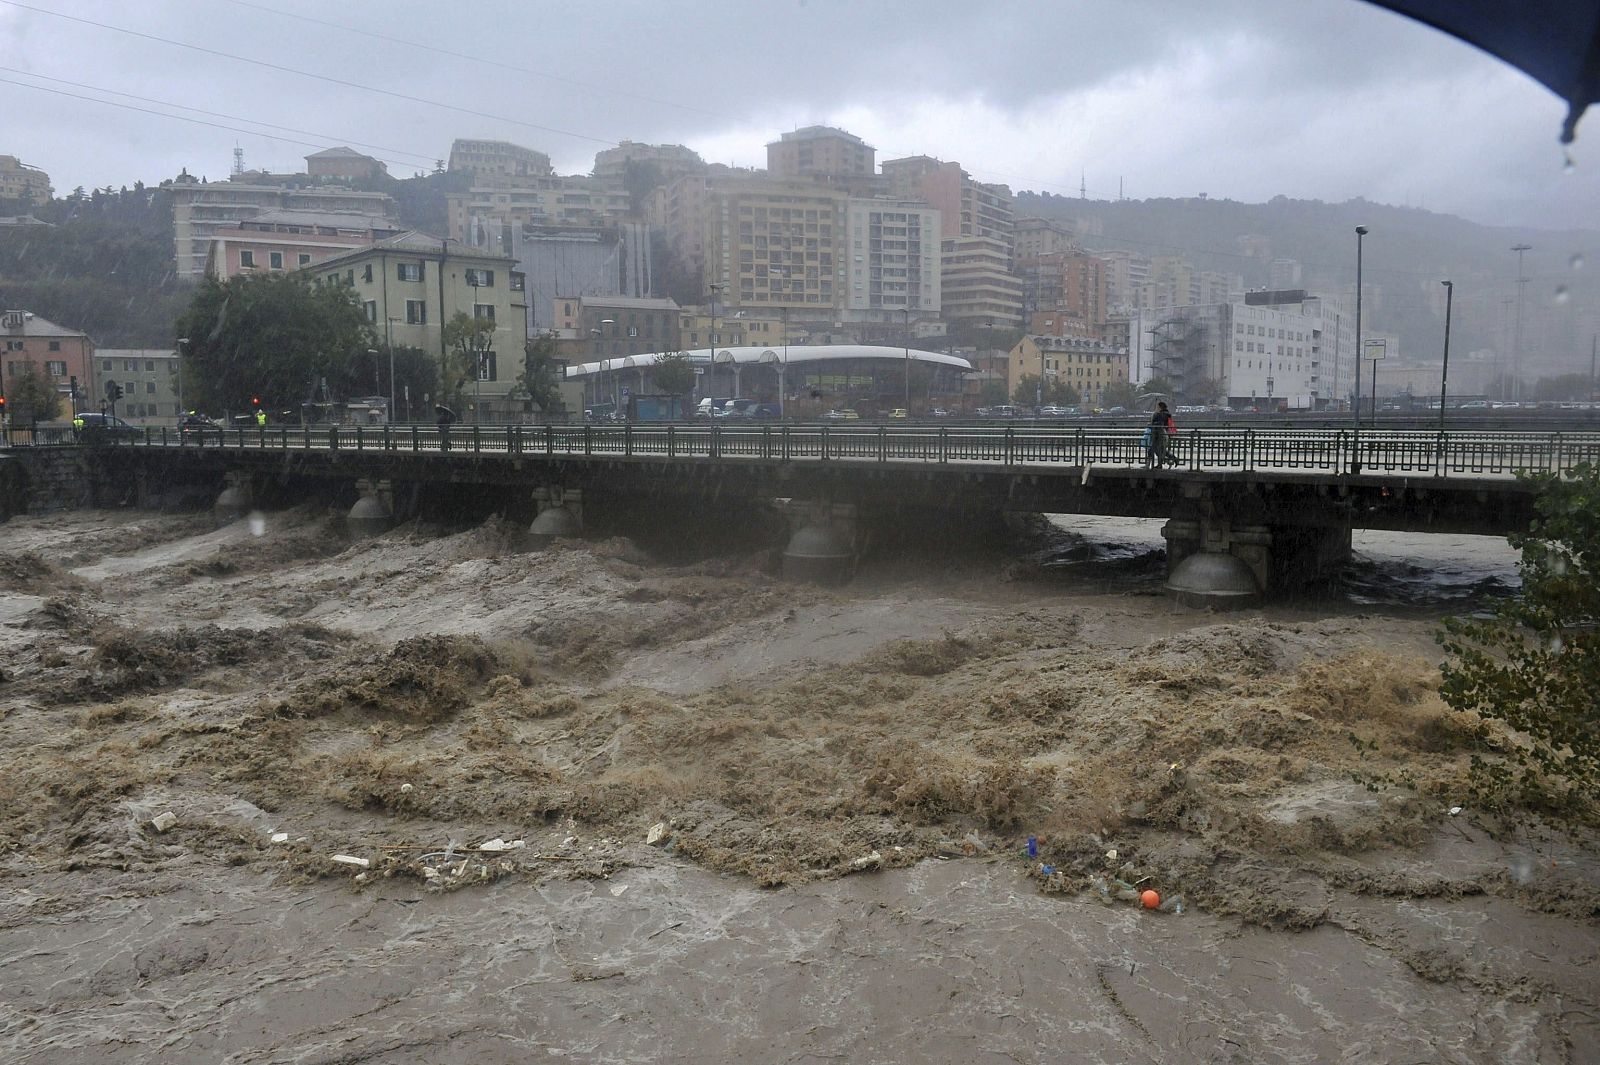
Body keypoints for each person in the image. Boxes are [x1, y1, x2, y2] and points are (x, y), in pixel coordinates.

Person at [1149, 402, 1180, 468]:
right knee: (1161, 450)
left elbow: (1157, 423)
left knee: (1157, 449)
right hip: (1164, 434)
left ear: (1160, 407)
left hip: (1160, 434)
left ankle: (1160, 464)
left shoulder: (1161, 414)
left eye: (1157, 406)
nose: (1157, 408)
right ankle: (1173, 459)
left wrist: (1155, 415)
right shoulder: (1166, 414)